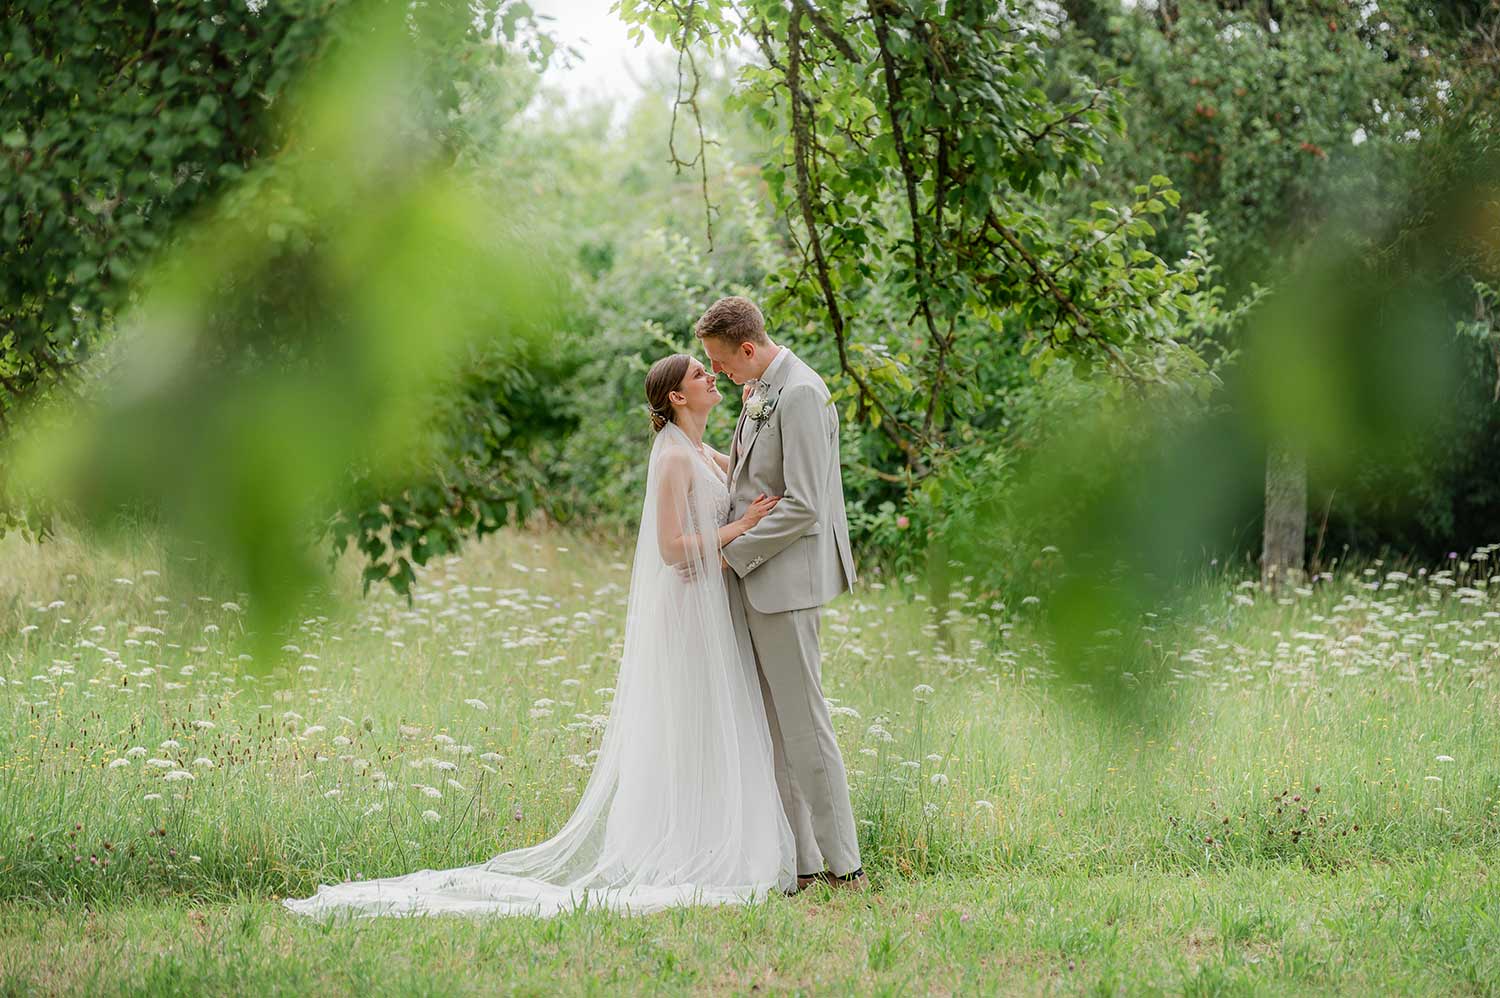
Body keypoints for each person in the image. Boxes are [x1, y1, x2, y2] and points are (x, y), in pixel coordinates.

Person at [282, 353, 796, 919]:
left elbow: (739, 469)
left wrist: (752, 417)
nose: (712, 377)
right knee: (692, 723)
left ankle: (710, 837)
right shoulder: (671, 458)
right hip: (686, 611)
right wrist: (742, 527)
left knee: (708, 721)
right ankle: (687, 847)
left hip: (711, 603)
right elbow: (672, 550)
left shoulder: (698, 450)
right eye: (701, 374)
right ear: (676, 397)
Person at [695, 295, 865, 892]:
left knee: (806, 724)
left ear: (747, 348)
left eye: (720, 362)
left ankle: (846, 864)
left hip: (784, 580)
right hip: (759, 578)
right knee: (773, 728)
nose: (717, 374)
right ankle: (803, 862)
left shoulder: (800, 393)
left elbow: (805, 502)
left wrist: (732, 552)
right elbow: (750, 477)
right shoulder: (763, 389)